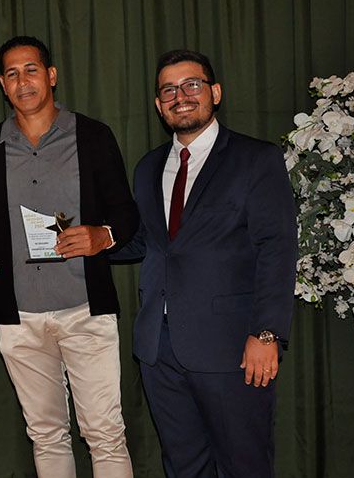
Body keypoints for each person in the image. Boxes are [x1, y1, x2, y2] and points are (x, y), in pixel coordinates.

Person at [118, 49, 297, 477]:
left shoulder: (256, 159)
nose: (180, 96)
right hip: (159, 351)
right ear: (158, 105)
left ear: (215, 92)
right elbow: (146, 241)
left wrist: (267, 333)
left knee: (244, 466)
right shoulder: (147, 168)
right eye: (168, 90)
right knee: (184, 468)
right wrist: (93, 240)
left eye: (191, 85)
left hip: (232, 349)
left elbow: (277, 248)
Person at [0, 36, 138, 478]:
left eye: (31, 70)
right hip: (20, 319)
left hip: (86, 311)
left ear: (52, 75)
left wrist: (103, 235)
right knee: (45, 435)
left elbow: (126, 214)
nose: (22, 81)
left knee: (105, 434)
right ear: (2, 85)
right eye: (11, 73)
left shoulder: (93, 136)